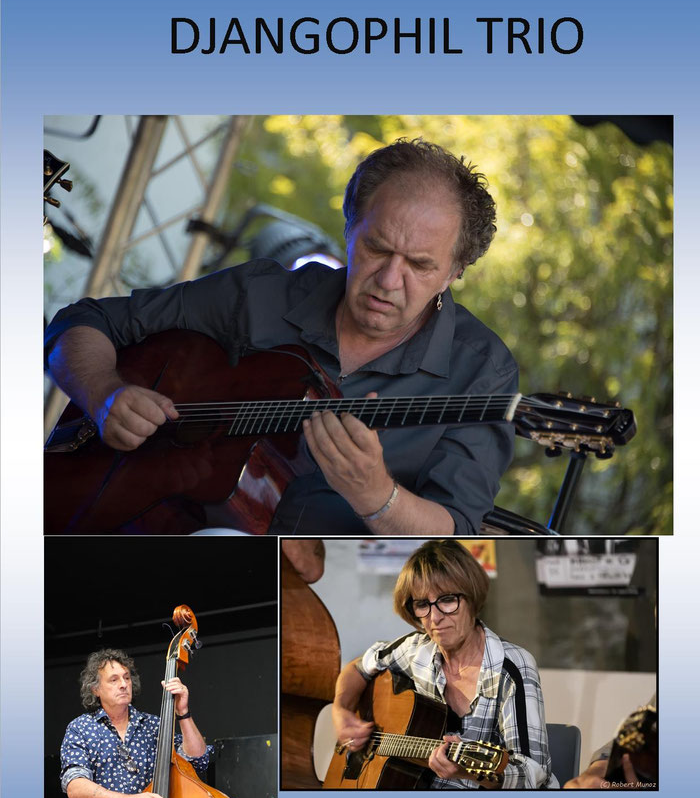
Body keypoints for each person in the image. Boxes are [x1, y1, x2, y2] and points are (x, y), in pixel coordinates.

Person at [45, 139, 518, 535]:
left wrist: (377, 494)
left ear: (455, 271)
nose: (389, 280)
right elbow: (81, 322)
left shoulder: (482, 371)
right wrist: (104, 393)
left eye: (419, 265)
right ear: (350, 227)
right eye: (376, 247)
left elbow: (455, 533)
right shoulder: (263, 295)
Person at [331, 539, 557, 789]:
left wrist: (469, 772)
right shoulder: (416, 650)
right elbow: (358, 668)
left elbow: (534, 773)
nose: (435, 617)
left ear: (471, 598)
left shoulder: (512, 668)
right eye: (422, 604)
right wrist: (341, 711)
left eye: (447, 600)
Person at [60, 648, 211, 798]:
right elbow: (76, 787)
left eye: (127, 677)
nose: (123, 684)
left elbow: (197, 760)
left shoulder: (154, 725)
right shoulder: (80, 729)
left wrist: (183, 713)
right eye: (114, 679)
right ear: (95, 689)